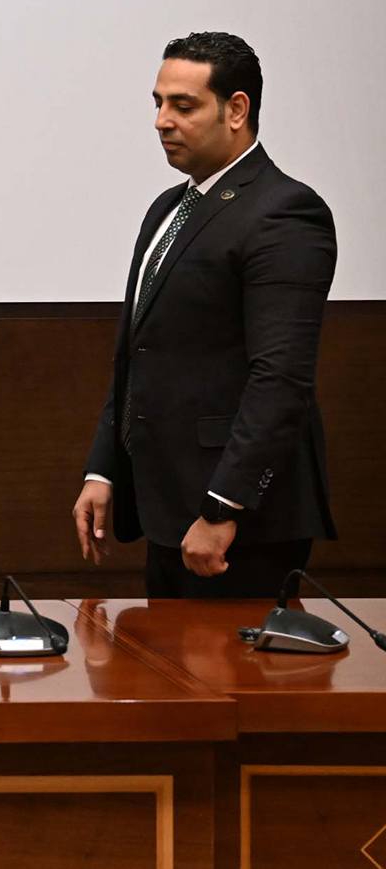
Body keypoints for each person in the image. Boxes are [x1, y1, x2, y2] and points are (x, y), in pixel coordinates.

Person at [74, 32, 337, 598]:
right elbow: (138, 354)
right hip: (167, 506)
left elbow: (280, 379)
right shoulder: (169, 208)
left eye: (183, 105)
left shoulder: (285, 212)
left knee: (235, 660)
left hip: (239, 522)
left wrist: (223, 507)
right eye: (158, 103)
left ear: (236, 110)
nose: (161, 121)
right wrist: (104, 468)